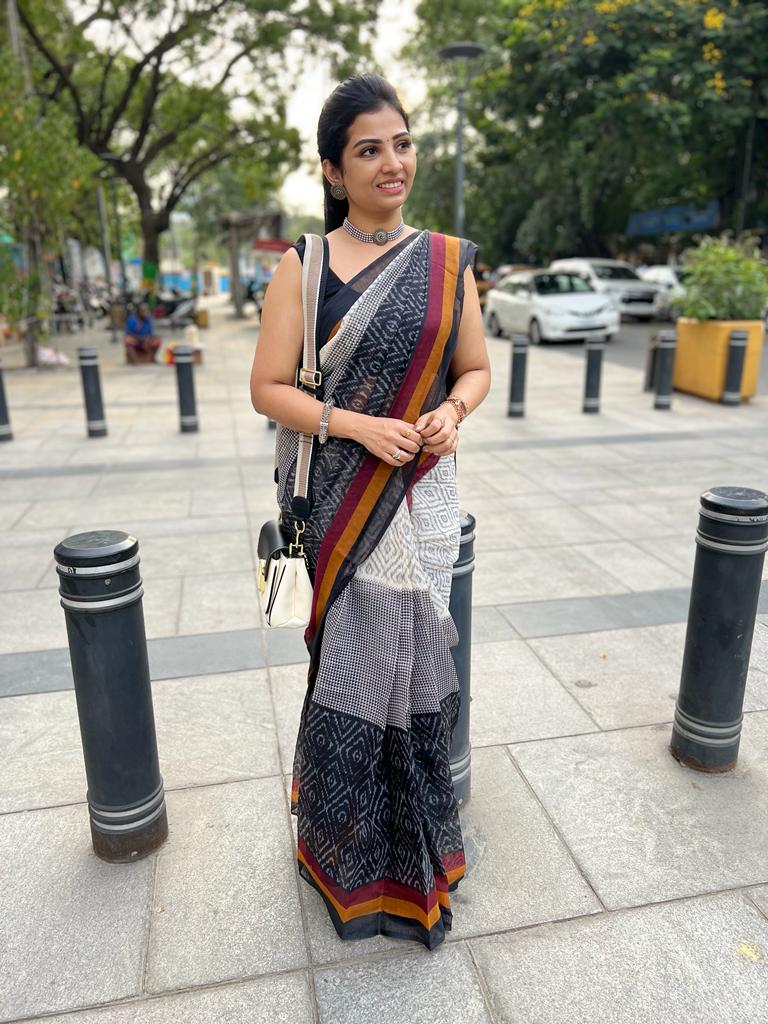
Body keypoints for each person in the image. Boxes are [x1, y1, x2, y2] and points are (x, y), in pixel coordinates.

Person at [250, 74, 490, 950]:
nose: (393, 163)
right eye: (368, 150)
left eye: (402, 143)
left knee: (412, 668)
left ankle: (417, 845)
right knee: (351, 674)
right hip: (341, 510)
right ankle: (342, 846)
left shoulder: (449, 262)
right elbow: (267, 388)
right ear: (332, 170)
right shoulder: (304, 267)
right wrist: (357, 425)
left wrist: (452, 412)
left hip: (419, 505)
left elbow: (474, 369)